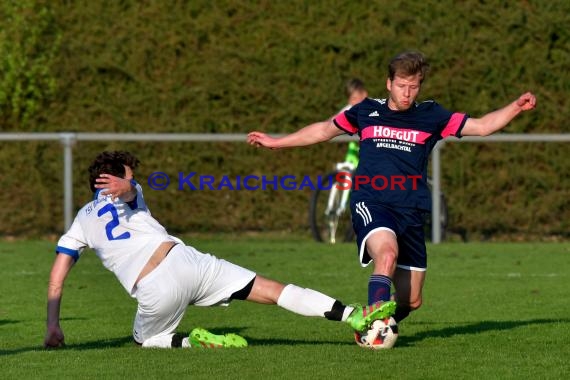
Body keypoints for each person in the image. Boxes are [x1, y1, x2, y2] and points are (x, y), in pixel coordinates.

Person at [247, 51, 537, 344]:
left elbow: (483, 126)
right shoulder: (365, 111)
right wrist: (276, 142)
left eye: (414, 86)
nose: (407, 93)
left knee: (411, 302)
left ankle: (371, 325)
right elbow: (324, 130)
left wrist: (515, 107)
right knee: (386, 255)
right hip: (372, 201)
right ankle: (375, 327)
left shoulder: (432, 115)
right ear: (388, 83)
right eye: (401, 85)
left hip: (410, 211)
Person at [44, 151, 396, 349]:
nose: (133, 179)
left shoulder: (80, 221)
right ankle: (352, 313)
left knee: (144, 340)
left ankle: (191, 343)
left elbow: (57, 279)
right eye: (129, 174)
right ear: (112, 180)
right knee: (272, 290)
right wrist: (129, 184)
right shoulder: (132, 195)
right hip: (188, 260)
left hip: (156, 287)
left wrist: (53, 328)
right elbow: (129, 191)